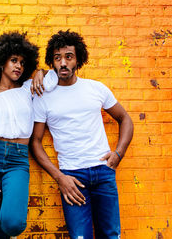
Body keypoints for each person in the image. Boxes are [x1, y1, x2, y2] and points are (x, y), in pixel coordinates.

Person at [30, 30, 134, 239]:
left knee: (111, 235)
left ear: (79, 60)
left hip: (104, 172)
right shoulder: (44, 97)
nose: (63, 63)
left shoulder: (96, 89)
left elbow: (125, 119)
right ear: (52, 61)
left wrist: (118, 154)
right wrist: (59, 177)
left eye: (69, 56)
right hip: (72, 176)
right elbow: (35, 142)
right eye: (57, 58)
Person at [0, 32, 56, 238]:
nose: (18, 66)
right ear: (1, 62)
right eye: (13, 61)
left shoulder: (29, 89)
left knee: (13, 222)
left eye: (22, 62)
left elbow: (54, 78)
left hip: (18, 160)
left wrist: (40, 72)